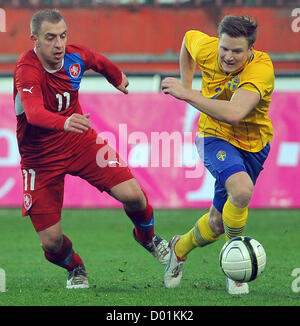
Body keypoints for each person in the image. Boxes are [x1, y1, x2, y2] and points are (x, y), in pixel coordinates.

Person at [13, 9, 170, 289]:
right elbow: (34, 113)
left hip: (79, 141)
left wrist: (116, 76)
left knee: (134, 196)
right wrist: (64, 122)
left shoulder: (74, 56)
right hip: (40, 159)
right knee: (51, 242)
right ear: (34, 39)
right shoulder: (27, 69)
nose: (59, 44)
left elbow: (95, 59)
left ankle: (148, 238)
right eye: (50, 38)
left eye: (62, 36)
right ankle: (75, 267)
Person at [161, 15, 274, 294]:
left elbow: (235, 113)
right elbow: (188, 40)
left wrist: (187, 94)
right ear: (219, 42)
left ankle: (179, 247)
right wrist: (187, 85)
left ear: (251, 51)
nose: (228, 56)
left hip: (254, 145)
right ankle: (235, 262)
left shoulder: (261, 69)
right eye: (225, 48)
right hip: (213, 136)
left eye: (237, 51)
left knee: (217, 221)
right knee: (242, 190)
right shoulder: (209, 48)